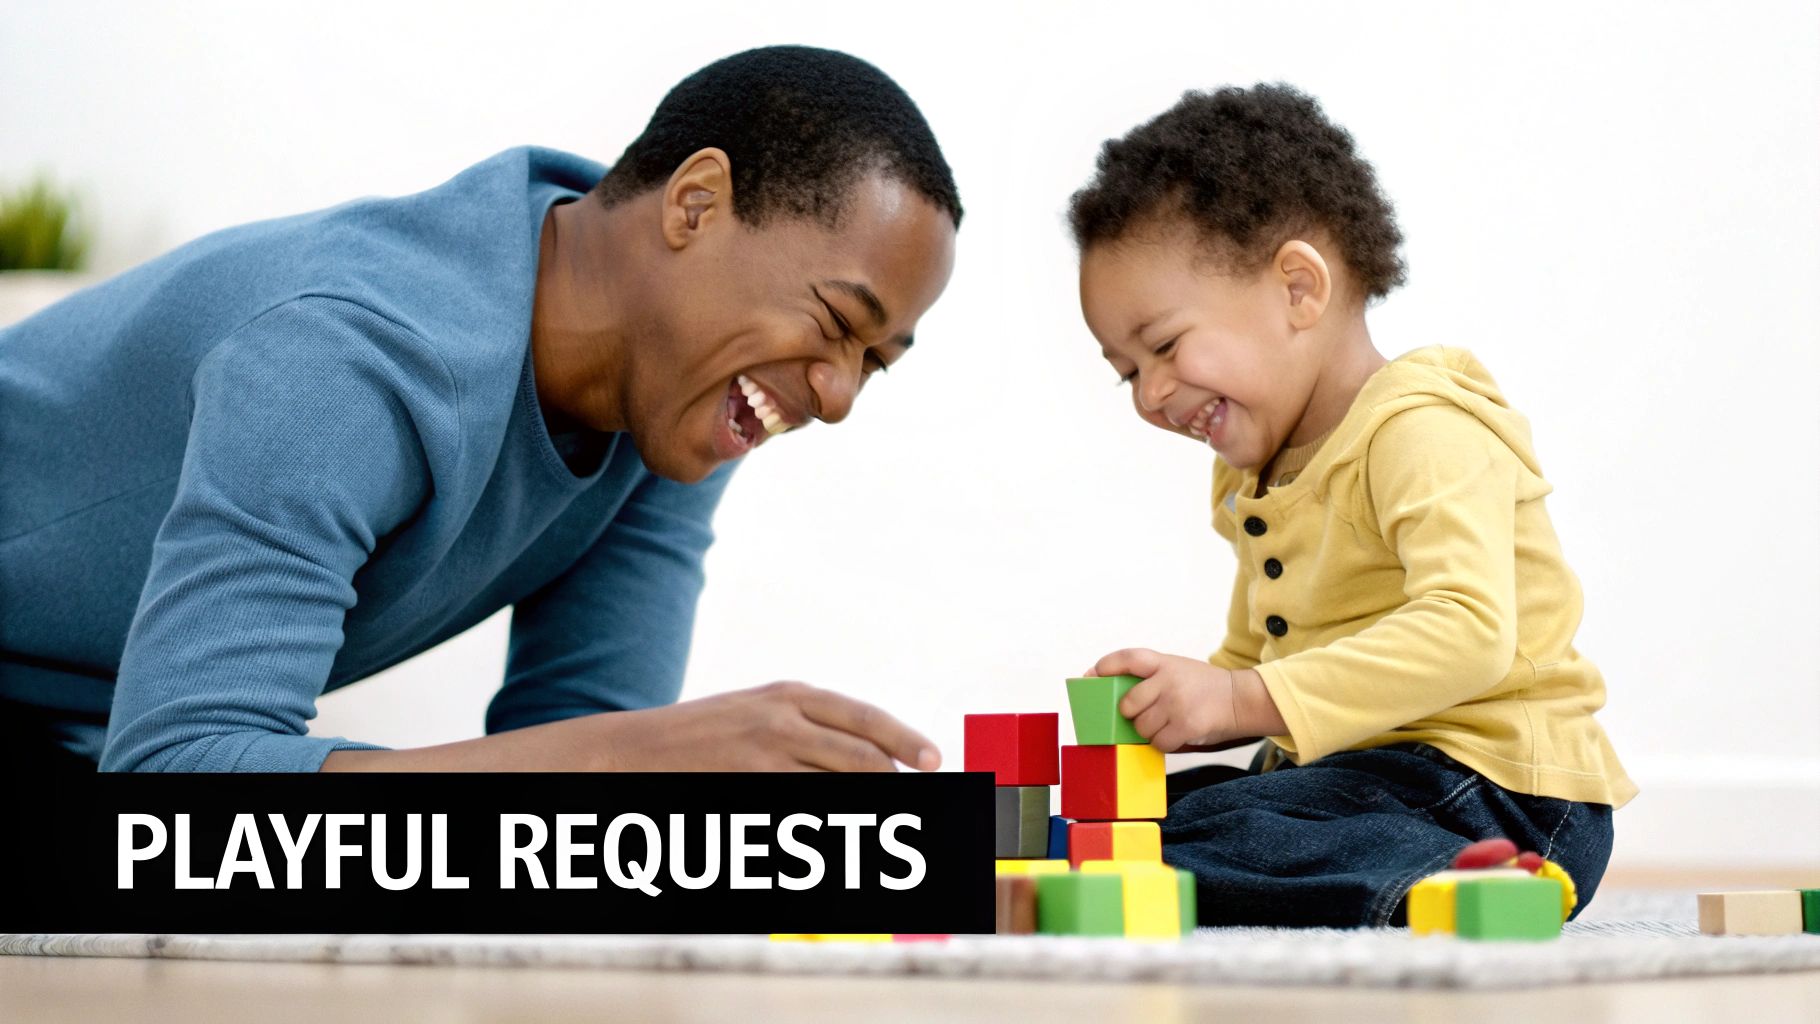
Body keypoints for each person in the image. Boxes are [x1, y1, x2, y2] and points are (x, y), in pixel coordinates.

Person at [0, 46, 959, 775]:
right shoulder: (349, 354)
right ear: (696, 204)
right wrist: (626, 758)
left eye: (873, 363)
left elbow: (561, 814)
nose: (834, 398)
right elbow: (173, 796)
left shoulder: (674, 407)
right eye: (836, 322)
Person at [1068, 84, 1635, 927]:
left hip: (1498, 792)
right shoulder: (1248, 474)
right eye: (1126, 371)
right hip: (1354, 780)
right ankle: (1083, 862)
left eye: (1164, 347)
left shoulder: (1420, 428)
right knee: (1154, 824)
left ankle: (1468, 885)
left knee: (1236, 830)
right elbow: (1256, 655)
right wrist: (1184, 706)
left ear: (1299, 288)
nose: (1150, 395)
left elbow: (1471, 632)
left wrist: (1236, 703)